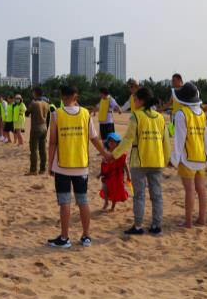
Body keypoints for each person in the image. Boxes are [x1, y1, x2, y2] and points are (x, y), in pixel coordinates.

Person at [47, 85, 108, 248]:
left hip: (62, 165)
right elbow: (94, 138)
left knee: (65, 202)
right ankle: (86, 236)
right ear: (76, 95)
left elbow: (52, 142)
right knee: (82, 200)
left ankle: (65, 237)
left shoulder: (56, 114)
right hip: (81, 165)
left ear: (62, 96)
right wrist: (105, 154)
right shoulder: (85, 114)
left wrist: (49, 164)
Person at [108, 87, 171, 236]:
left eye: (135, 99)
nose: (133, 101)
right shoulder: (160, 117)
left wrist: (114, 154)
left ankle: (138, 226)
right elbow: (165, 141)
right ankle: (156, 226)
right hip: (157, 161)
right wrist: (167, 159)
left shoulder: (136, 116)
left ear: (141, 100)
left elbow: (128, 139)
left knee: (139, 196)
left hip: (140, 162)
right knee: (157, 195)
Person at [171, 83, 207, 228]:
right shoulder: (201, 113)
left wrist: (173, 159)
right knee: (201, 189)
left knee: (189, 190)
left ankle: (188, 222)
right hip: (200, 156)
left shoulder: (181, 113)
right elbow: (205, 137)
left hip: (187, 157)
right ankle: (202, 219)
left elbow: (179, 139)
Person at [98, 132, 130, 212]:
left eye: (113, 141)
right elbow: (103, 165)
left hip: (117, 176)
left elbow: (124, 165)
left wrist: (128, 176)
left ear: (118, 143)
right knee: (104, 187)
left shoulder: (121, 154)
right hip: (108, 175)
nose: (111, 143)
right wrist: (100, 174)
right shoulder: (106, 153)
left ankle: (113, 206)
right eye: (110, 141)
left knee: (115, 192)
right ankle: (106, 202)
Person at [26, 87, 50, 175]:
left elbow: (26, 113)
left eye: (33, 93)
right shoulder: (46, 104)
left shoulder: (34, 103)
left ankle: (33, 169)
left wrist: (30, 104)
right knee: (43, 149)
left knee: (34, 149)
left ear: (35, 93)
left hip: (36, 128)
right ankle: (43, 169)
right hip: (44, 127)